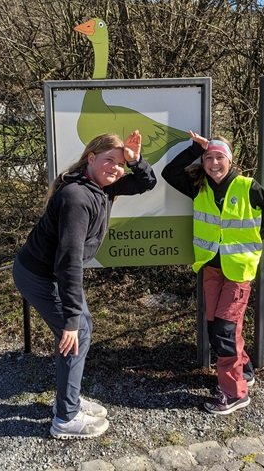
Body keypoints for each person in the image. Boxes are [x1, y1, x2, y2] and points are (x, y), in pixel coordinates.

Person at [13, 130, 156, 439]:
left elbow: (146, 182)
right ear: (91, 158)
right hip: (40, 276)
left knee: (81, 331)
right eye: (109, 160)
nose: (116, 168)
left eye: (120, 164)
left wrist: (135, 160)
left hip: (51, 273)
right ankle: (65, 418)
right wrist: (70, 320)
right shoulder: (77, 197)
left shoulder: (100, 185)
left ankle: (69, 399)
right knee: (77, 333)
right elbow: (69, 262)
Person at [162, 131, 264, 415]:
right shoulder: (199, 187)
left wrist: (257, 237)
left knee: (225, 330)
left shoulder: (246, 186)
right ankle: (245, 369)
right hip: (212, 268)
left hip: (238, 270)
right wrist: (196, 148)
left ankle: (234, 393)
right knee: (217, 328)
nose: (214, 163)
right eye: (208, 158)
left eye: (219, 157)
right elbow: (170, 172)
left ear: (230, 160)